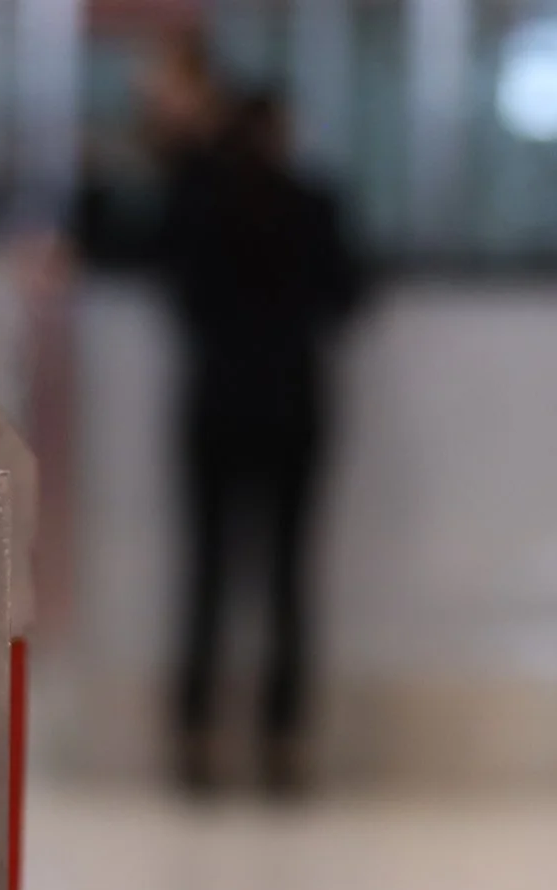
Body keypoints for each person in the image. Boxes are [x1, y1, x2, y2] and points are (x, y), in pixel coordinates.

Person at [151, 78, 365, 794]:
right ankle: (283, 739)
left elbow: (175, 290)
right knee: (287, 578)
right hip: (292, 407)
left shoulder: (199, 204)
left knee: (208, 575)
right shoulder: (312, 205)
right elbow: (349, 295)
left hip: (216, 406)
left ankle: (196, 735)